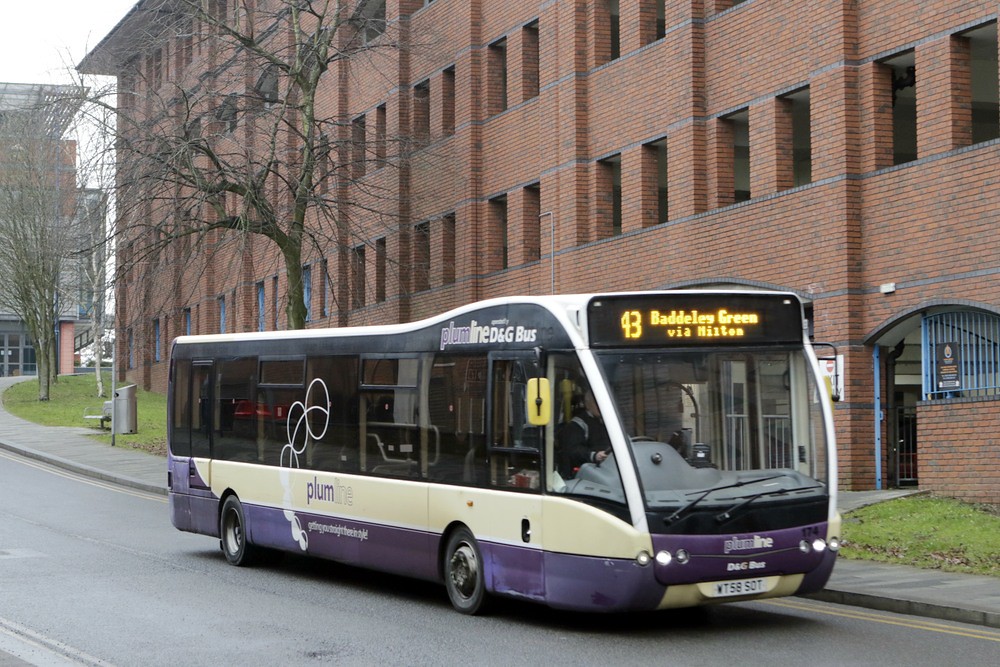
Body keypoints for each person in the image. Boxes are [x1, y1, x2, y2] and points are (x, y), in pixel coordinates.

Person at [556, 386, 612, 479]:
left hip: (609, 467)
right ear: (587, 404)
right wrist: (594, 455)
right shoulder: (578, 424)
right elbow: (573, 450)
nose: (600, 405)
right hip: (589, 472)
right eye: (596, 402)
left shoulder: (607, 421)